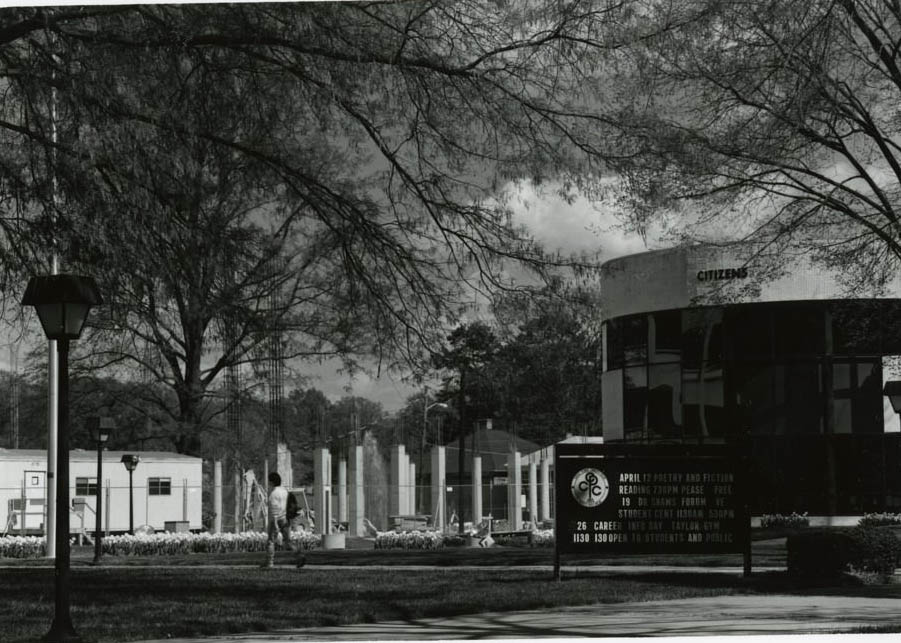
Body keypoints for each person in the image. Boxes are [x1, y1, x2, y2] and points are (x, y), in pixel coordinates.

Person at [262, 472, 305, 568]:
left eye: (269, 481)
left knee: (270, 541)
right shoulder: (285, 491)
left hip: (276, 520)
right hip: (285, 519)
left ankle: (269, 562)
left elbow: (274, 510)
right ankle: (299, 555)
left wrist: (276, 524)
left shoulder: (273, 494)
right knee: (288, 541)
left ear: (271, 482)